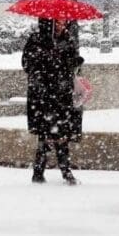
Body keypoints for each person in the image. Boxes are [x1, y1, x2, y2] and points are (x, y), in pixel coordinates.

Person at [22, 18, 84, 185]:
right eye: (57, 23)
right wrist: (46, 59)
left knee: (62, 134)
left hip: (62, 95)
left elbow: (71, 66)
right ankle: (39, 171)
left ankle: (65, 171)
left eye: (63, 22)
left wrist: (74, 61)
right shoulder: (36, 40)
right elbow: (27, 64)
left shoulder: (67, 39)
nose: (61, 26)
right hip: (43, 96)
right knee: (45, 135)